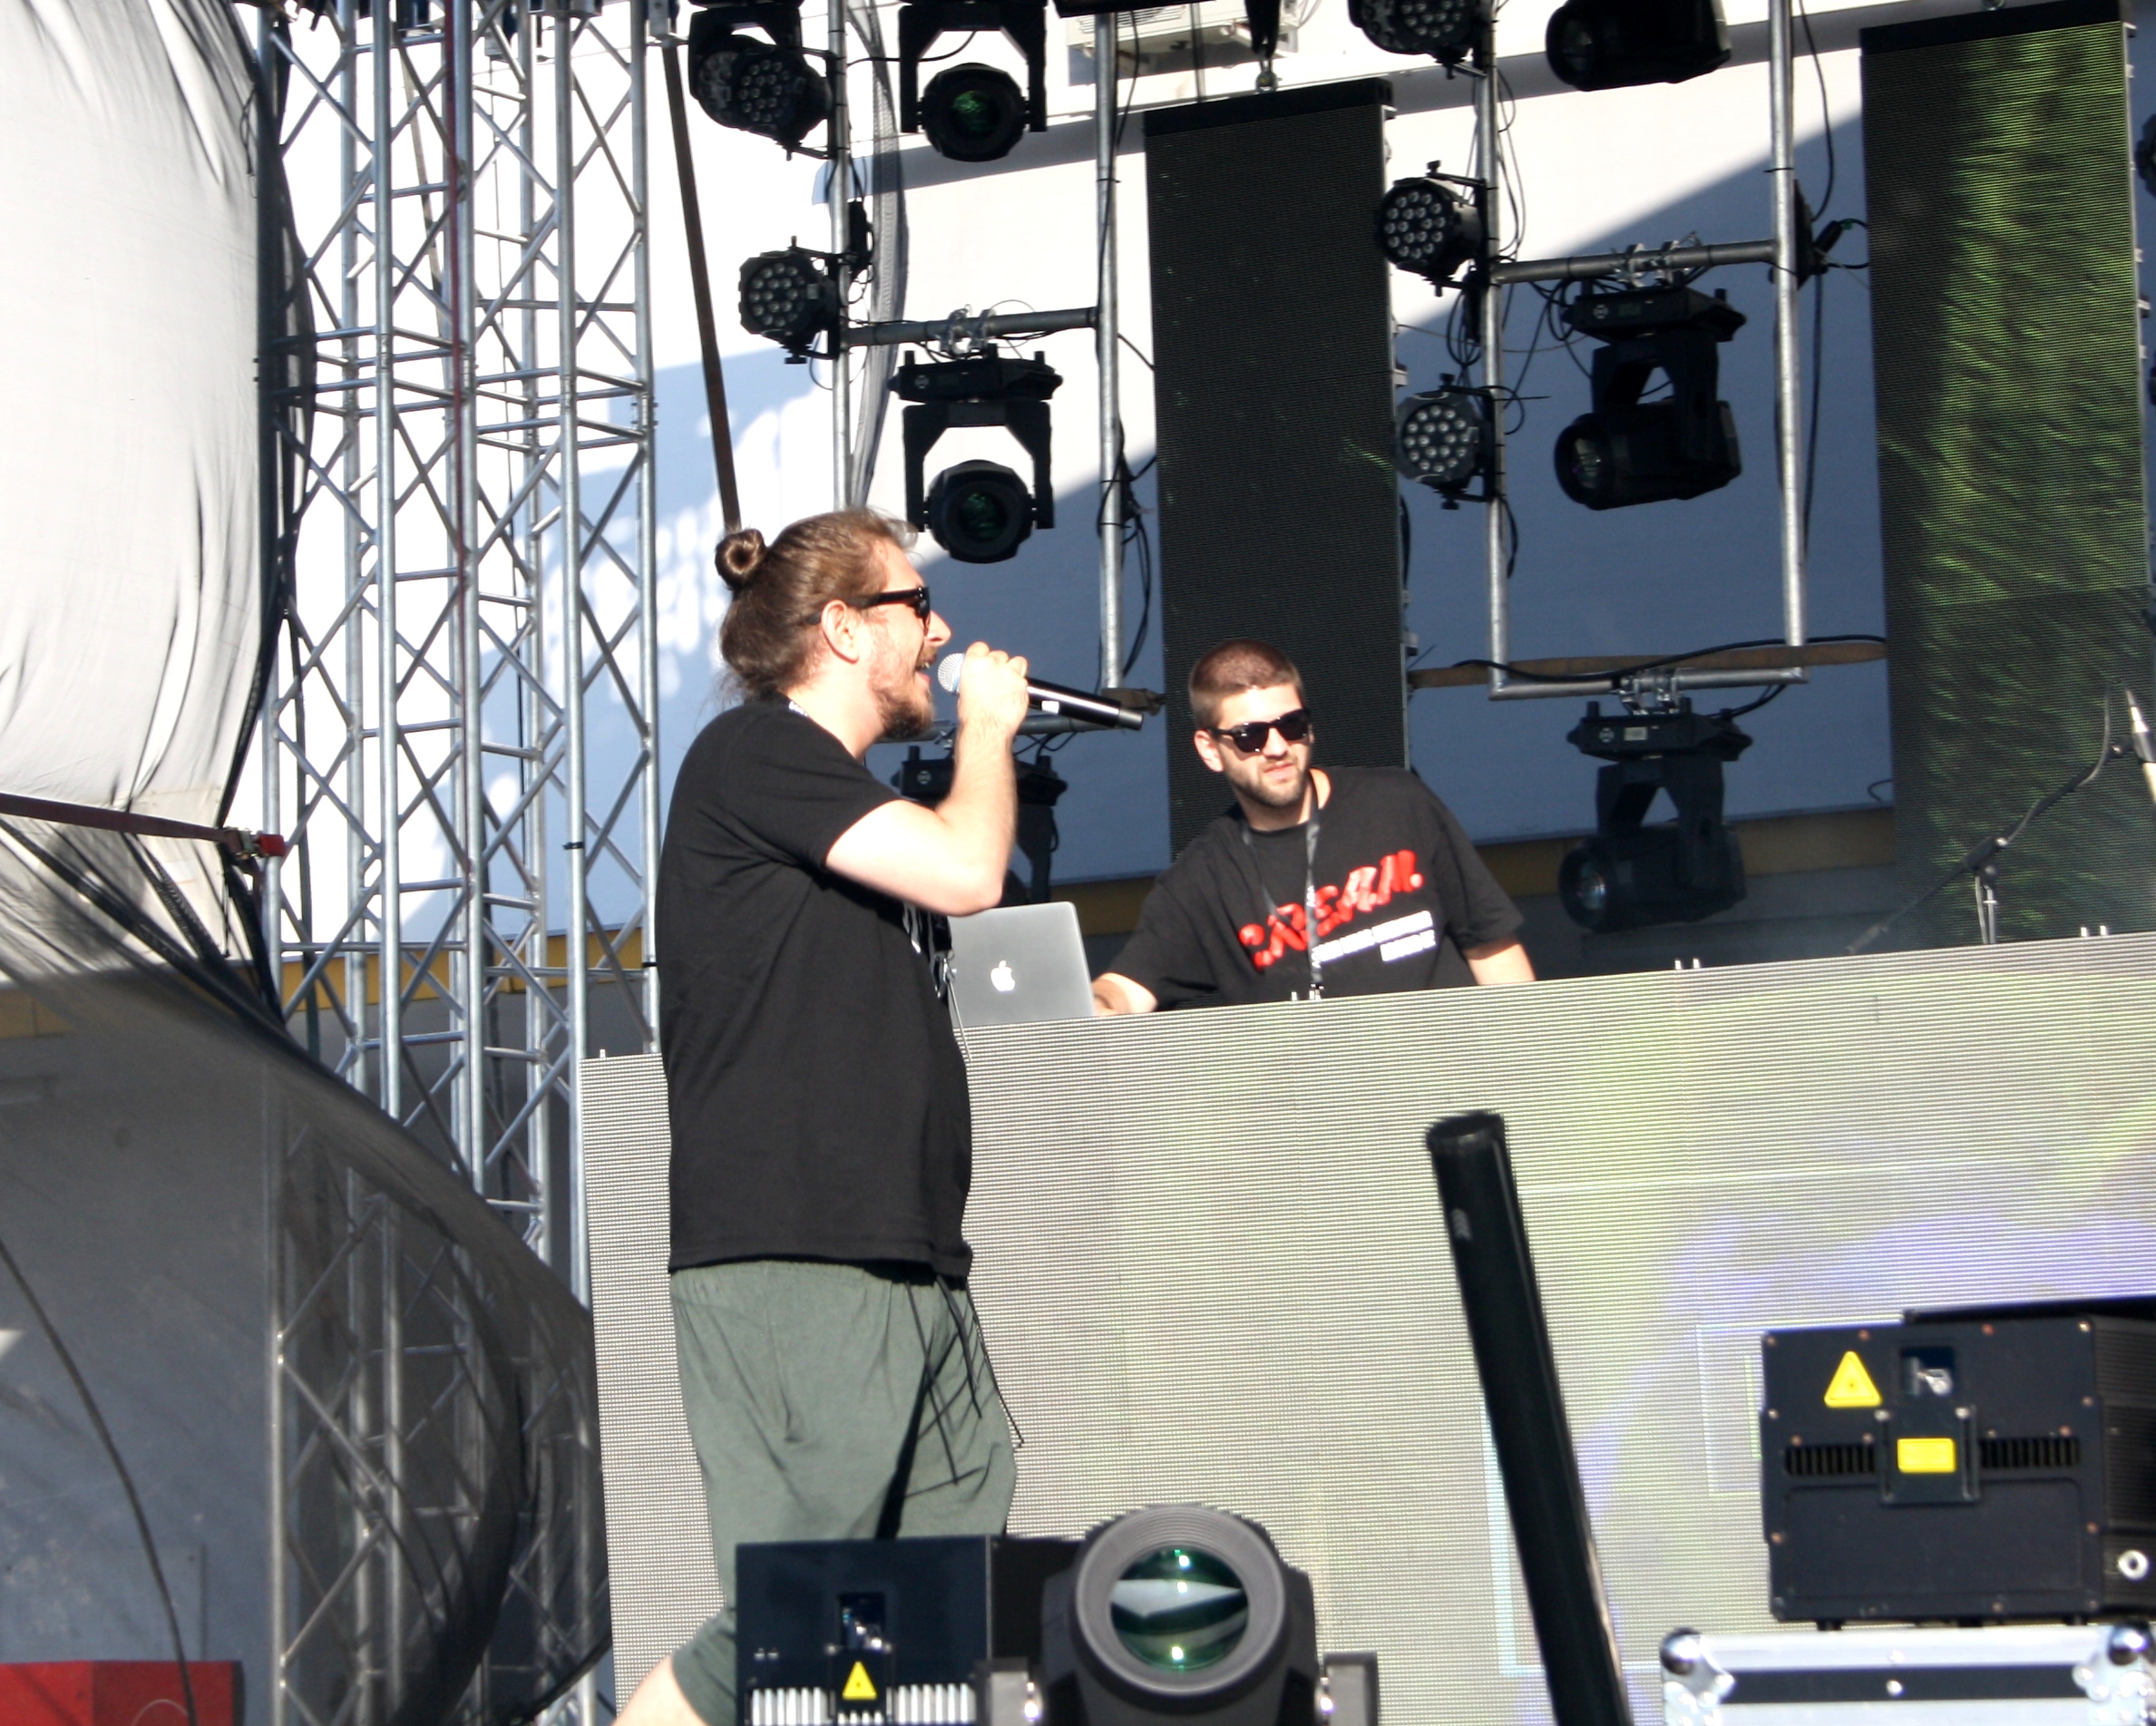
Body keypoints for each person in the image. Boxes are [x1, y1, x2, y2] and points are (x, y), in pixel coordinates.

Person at [622, 511, 1033, 1726]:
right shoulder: (757, 753)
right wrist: (988, 731)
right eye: (918, 605)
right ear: (845, 628)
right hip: (799, 1248)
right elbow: (969, 871)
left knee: (933, 1582)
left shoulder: (833, 797)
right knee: (797, 1615)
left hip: (903, 1251)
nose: (940, 633)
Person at [1093, 638, 1534, 1014]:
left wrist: (1533, 1067)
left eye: (1291, 725)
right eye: (1250, 736)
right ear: (1210, 750)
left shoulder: (1399, 802)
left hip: (1445, 1076)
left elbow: (1492, 947)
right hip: (1315, 1087)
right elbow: (1127, 988)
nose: (1276, 747)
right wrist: (1094, 1004)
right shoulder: (1203, 878)